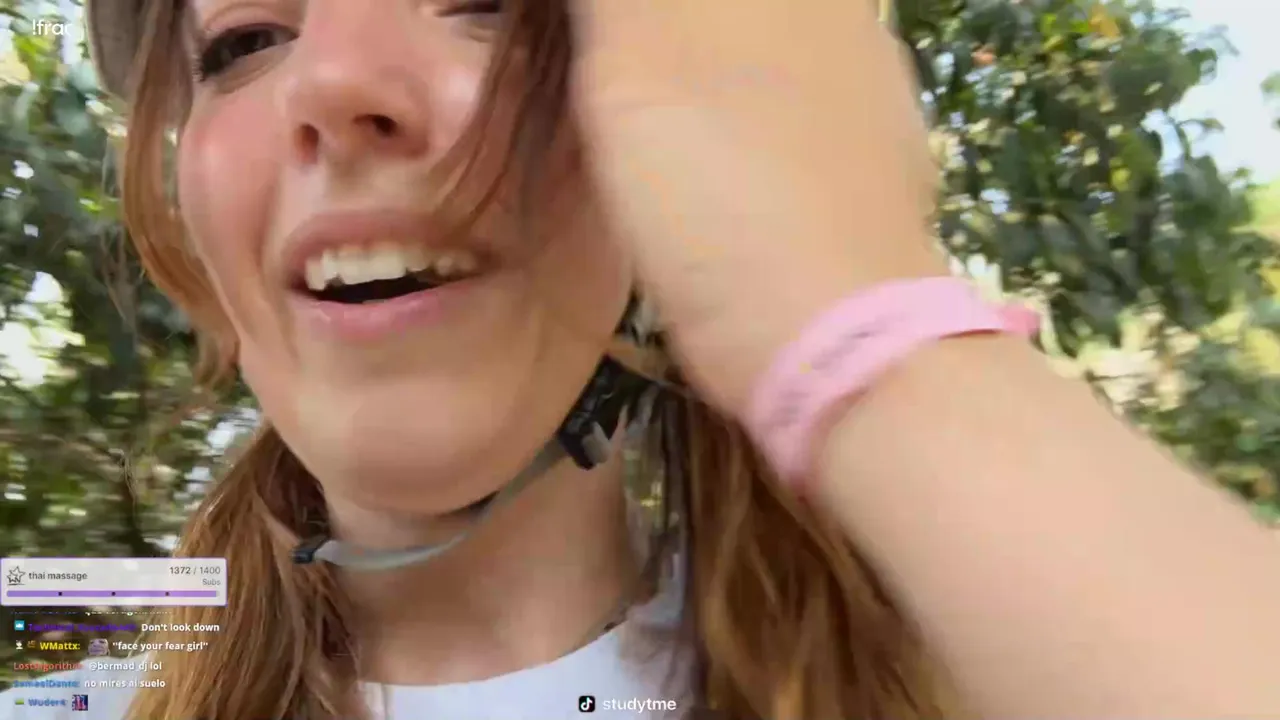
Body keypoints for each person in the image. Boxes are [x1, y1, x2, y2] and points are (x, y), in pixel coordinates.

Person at [3, 0, 1280, 718]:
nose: (330, 84)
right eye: (240, 41)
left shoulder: (963, 667)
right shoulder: (66, 660)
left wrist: (852, 326)